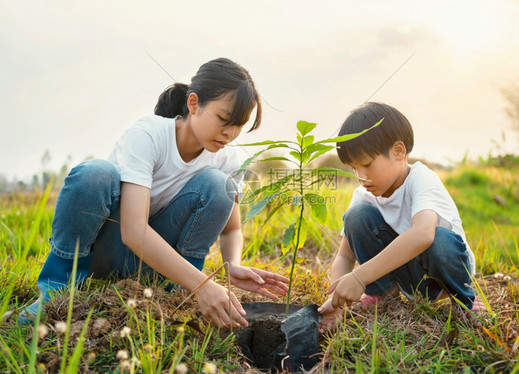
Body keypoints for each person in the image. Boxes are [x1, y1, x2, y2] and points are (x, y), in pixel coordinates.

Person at [17, 57, 289, 328]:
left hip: (157, 266)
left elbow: (231, 230)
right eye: (223, 119)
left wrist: (232, 264)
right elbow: (133, 231)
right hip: (103, 253)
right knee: (95, 174)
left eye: (240, 125)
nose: (230, 133)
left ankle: (174, 292)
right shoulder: (149, 135)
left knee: (218, 184)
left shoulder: (227, 160)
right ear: (193, 104)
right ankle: (56, 291)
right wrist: (204, 284)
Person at [318, 102, 484, 332]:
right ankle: (382, 293)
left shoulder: (422, 179)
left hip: (444, 274)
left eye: (366, 164)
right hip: (408, 274)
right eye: (353, 168)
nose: (360, 176)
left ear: (398, 151)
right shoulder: (363, 194)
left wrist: (359, 277)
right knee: (356, 216)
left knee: (438, 238)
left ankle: (465, 300)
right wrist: (336, 299)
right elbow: (345, 255)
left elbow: (423, 235)